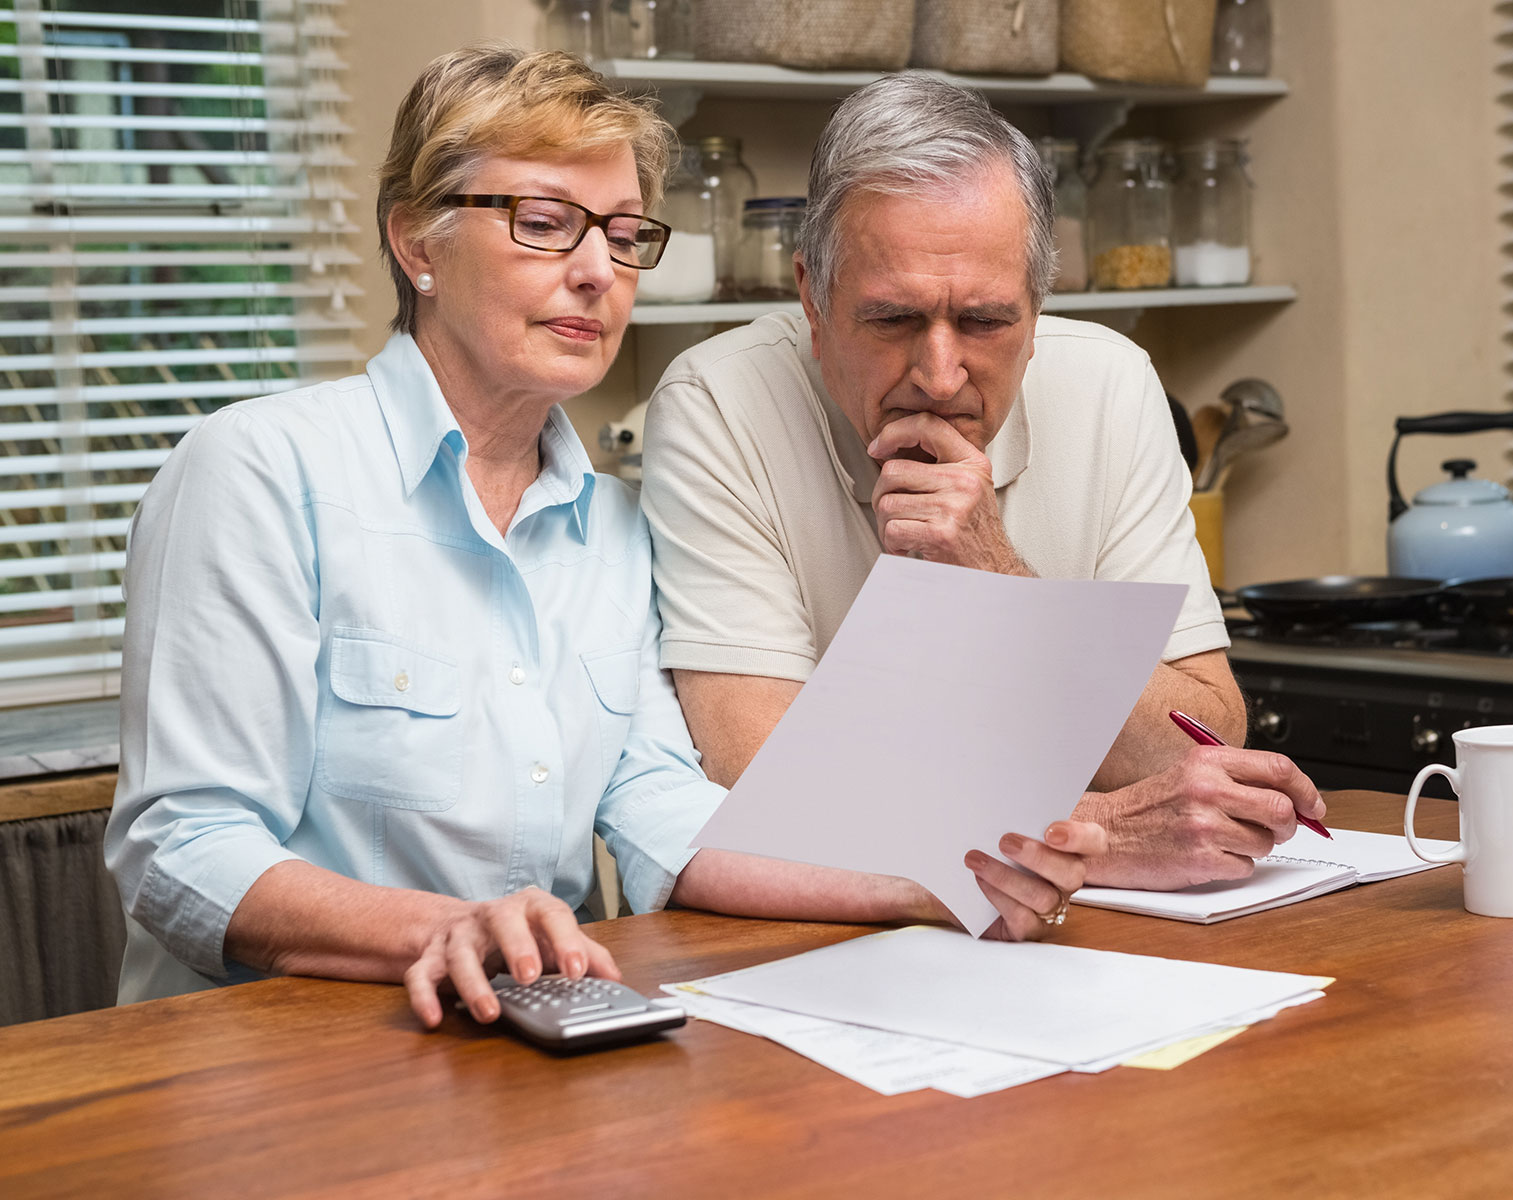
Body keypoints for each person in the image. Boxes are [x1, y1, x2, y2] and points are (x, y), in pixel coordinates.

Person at [105, 48, 1101, 1029]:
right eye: (545, 224)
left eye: (624, 237)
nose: (597, 272)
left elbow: (664, 812)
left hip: (532, 1043)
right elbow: (183, 849)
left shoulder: (615, 529)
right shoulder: (258, 472)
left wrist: (928, 879)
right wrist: (448, 930)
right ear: (416, 243)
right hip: (273, 1073)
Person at [641, 73, 1326, 891]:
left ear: (1037, 311)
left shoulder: (1111, 384)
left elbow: (1202, 744)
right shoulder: (717, 403)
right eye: (892, 319)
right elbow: (759, 787)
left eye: (986, 321)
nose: (938, 375)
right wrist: (1096, 830)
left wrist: (995, 575)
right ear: (812, 302)